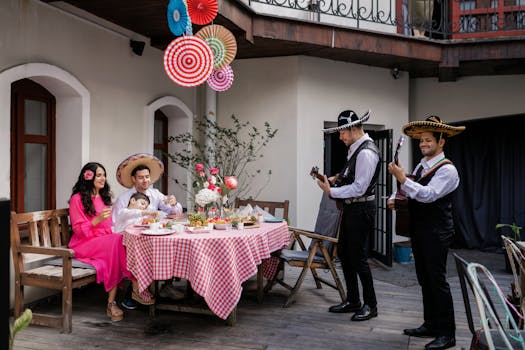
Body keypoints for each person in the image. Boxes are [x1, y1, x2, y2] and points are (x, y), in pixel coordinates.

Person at [387, 116, 465, 350]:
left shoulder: (448, 170)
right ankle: (430, 324)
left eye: (429, 140)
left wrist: (401, 178)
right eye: (421, 140)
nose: (423, 144)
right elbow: (411, 188)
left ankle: (447, 334)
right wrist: (395, 198)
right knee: (424, 279)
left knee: (437, 281)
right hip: (420, 230)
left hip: (437, 232)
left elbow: (428, 194)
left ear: (442, 141)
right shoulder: (422, 164)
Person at [68, 162, 156, 322]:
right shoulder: (77, 199)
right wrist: (97, 219)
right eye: (99, 175)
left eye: (104, 175)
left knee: (122, 241)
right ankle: (135, 287)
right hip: (82, 244)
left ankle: (114, 301)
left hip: (102, 241)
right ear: (88, 177)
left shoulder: (102, 197)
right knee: (117, 241)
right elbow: (78, 230)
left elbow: (110, 226)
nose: (103, 178)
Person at [317, 109, 381, 322]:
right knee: (344, 253)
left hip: (361, 208)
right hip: (351, 208)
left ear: (353, 128)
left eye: (342, 132)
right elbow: (352, 176)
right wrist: (337, 178)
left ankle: (371, 305)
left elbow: (360, 187)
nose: (340, 137)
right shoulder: (355, 148)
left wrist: (331, 191)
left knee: (358, 258)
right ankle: (353, 300)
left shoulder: (366, 152)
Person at [112, 153, 184, 309]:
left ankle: (165, 284)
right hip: (127, 239)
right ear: (133, 179)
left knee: (170, 246)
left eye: (147, 177)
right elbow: (115, 224)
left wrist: (174, 203)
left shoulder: (155, 194)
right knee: (146, 252)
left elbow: (175, 212)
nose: (145, 180)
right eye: (140, 177)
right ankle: (135, 292)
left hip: (151, 236)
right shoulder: (124, 199)